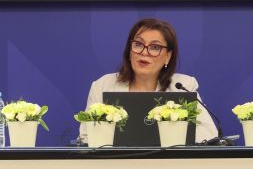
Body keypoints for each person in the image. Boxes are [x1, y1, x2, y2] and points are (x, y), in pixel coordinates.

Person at [81, 18, 218, 143]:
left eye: (155, 47)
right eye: (138, 44)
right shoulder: (103, 86)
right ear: (129, 51)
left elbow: (208, 133)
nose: (144, 52)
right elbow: (86, 136)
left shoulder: (183, 87)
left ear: (168, 57)